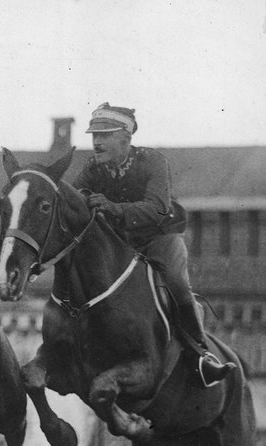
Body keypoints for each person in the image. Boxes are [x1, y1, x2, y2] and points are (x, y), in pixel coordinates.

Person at [71, 102, 235, 387]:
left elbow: (158, 209)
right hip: (122, 241)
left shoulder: (153, 162)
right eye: (94, 135)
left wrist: (113, 207)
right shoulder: (92, 168)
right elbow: (74, 197)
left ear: (125, 138)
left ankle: (202, 355)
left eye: (104, 135)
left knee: (175, 282)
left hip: (160, 236)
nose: (96, 142)